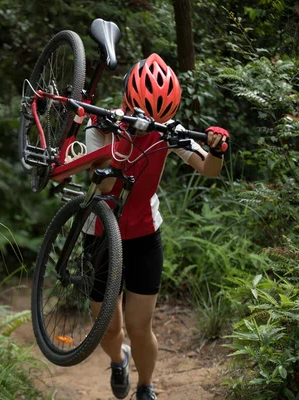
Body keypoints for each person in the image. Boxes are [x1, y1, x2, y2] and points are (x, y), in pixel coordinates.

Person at [84, 53, 229, 400]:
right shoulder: (102, 125)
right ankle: (119, 362)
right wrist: (122, 133)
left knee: (138, 326)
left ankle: (146, 387)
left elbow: (208, 169)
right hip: (100, 232)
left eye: (161, 116)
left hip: (144, 234)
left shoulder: (170, 132)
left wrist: (218, 149)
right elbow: (103, 185)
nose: (150, 121)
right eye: (144, 113)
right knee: (108, 327)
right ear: (127, 99)